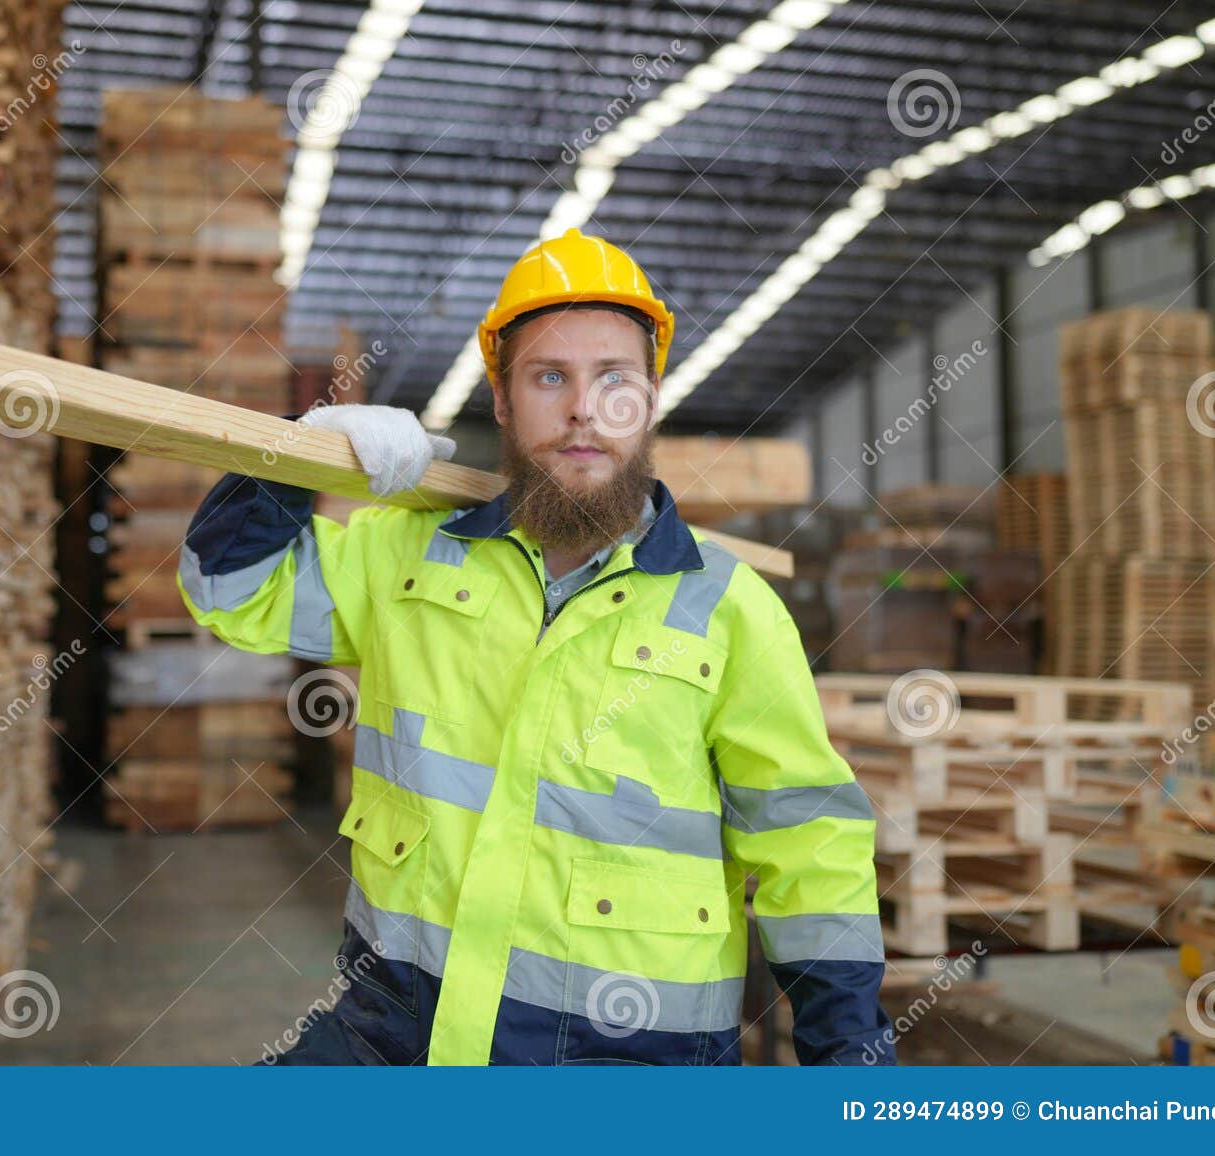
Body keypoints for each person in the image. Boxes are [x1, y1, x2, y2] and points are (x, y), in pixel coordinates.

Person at [177, 228, 893, 1066]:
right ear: (505, 400)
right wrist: (298, 457)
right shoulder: (405, 556)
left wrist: (850, 1064)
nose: (584, 409)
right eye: (550, 376)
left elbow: (808, 843)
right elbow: (227, 588)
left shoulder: (731, 610)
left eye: (613, 380)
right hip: (393, 1034)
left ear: (650, 399)